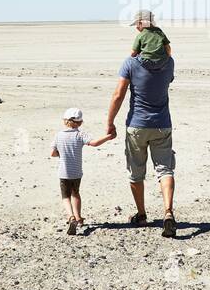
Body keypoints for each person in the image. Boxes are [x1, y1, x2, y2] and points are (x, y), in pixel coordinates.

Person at [104, 45, 177, 237]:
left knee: (136, 172)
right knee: (165, 169)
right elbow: (168, 55)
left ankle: (142, 214)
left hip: (137, 125)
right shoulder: (169, 63)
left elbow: (118, 94)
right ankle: (168, 212)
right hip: (162, 125)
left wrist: (110, 122)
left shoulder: (130, 64)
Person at [50, 107, 112, 235]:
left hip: (63, 172)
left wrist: (61, 153)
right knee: (75, 193)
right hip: (76, 172)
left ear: (65, 121)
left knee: (65, 197)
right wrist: (108, 137)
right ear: (80, 122)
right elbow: (94, 143)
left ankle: (71, 217)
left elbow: (53, 153)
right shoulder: (80, 134)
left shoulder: (58, 135)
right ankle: (78, 218)